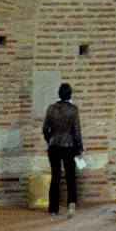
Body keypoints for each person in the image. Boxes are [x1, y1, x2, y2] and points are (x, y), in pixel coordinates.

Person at [42, 81, 83, 217]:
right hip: (69, 146)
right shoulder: (73, 110)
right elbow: (76, 132)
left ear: (59, 94)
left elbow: (45, 128)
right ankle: (71, 202)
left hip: (54, 146)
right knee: (70, 176)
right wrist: (80, 149)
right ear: (70, 95)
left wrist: (50, 139)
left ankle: (53, 208)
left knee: (55, 176)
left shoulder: (51, 109)